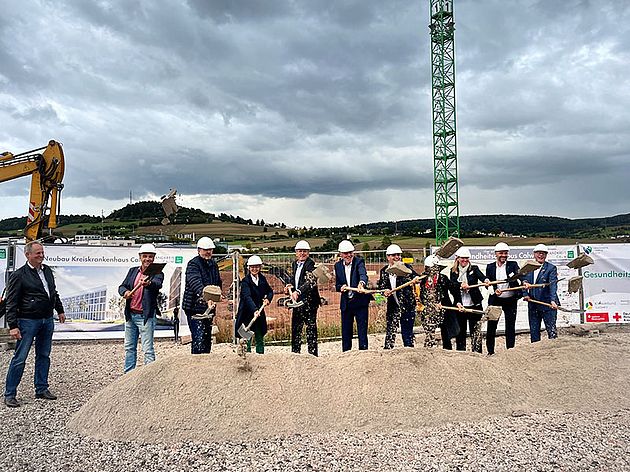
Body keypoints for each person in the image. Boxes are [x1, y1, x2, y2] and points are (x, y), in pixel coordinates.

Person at [3, 241, 65, 408]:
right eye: (37, 253)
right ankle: (10, 394)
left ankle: (41, 388)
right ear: (27, 255)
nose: (41, 255)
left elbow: (53, 292)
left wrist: (59, 310)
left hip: (46, 320)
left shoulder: (47, 271)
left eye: (42, 252)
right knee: (20, 358)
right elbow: (11, 302)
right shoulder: (19, 275)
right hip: (27, 321)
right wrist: (13, 325)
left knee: (44, 356)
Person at [118, 243, 164, 373]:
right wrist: (125, 292)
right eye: (145, 256)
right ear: (140, 257)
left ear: (154, 258)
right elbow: (122, 286)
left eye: (150, 256)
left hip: (145, 317)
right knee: (129, 347)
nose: (147, 259)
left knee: (147, 349)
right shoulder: (133, 271)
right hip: (131, 315)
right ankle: (128, 375)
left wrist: (148, 283)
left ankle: (150, 377)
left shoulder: (157, 272)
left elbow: (157, 284)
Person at [182, 236, 222, 354]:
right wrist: (207, 297)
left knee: (206, 339)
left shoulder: (213, 264)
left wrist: (218, 295)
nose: (208, 252)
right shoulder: (193, 264)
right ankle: (196, 367)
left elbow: (217, 282)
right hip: (194, 306)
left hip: (208, 307)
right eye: (205, 249)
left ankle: (205, 366)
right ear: (199, 250)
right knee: (198, 338)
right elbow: (195, 283)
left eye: (210, 249)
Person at [377, 244, 419, 349]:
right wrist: (384, 291)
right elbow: (381, 286)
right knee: (390, 331)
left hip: (407, 305)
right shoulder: (384, 271)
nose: (397, 257)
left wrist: (415, 279)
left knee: (407, 332)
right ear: (388, 257)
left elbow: (415, 276)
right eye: (394, 255)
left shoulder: (406, 268)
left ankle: (409, 351)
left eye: (398, 255)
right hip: (393, 306)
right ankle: (388, 352)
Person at [484, 242, 523, 355]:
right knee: (491, 326)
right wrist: (493, 290)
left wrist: (524, 282)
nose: (504, 255)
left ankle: (510, 351)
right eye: (501, 253)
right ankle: (490, 351)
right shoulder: (490, 267)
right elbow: (489, 284)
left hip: (510, 300)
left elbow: (520, 275)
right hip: (495, 301)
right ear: (496, 254)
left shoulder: (513, 265)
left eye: (506, 253)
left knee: (510, 327)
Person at [334, 240, 372, 351]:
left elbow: (363, 275)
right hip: (346, 304)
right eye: (346, 253)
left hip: (360, 302)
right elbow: (337, 284)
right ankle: (346, 355)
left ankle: (363, 354)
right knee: (346, 332)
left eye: (351, 252)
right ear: (340, 254)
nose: (349, 255)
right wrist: (341, 287)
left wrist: (361, 284)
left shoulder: (359, 262)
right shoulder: (337, 266)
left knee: (362, 332)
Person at [418, 254, 462, 349]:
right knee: (429, 330)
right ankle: (429, 349)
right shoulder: (423, 280)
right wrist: (428, 303)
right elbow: (422, 295)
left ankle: (447, 350)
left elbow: (455, 291)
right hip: (429, 310)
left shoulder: (443, 278)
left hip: (444, 309)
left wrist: (458, 302)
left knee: (446, 332)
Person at [286, 240, 321, 356]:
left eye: (304, 251)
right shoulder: (295, 264)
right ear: (296, 252)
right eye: (300, 251)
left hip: (310, 302)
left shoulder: (311, 265)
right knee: (296, 329)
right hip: (298, 302)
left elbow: (310, 281)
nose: (302, 253)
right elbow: (294, 279)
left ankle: (313, 356)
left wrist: (298, 291)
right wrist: (289, 286)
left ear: (308, 253)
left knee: (311, 330)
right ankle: (295, 354)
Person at [449, 247, 486, 353]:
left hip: (474, 305)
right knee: (460, 332)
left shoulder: (474, 269)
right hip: (461, 306)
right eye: (462, 258)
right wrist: (461, 286)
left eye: (466, 258)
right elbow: (453, 286)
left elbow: (482, 277)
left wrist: (486, 280)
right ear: (457, 259)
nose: (465, 260)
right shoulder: (453, 271)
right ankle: (461, 354)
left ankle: (477, 353)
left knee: (476, 331)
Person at [235, 255, 274, 354]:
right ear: (249, 268)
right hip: (247, 312)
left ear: (260, 267)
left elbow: (269, 291)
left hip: (259, 312)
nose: (254, 269)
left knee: (259, 334)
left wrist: (268, 299)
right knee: (246, 336)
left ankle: (260, 355)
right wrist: (254, 310)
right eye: (252, 267)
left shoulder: (262, 279)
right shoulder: (245, 282)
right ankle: (246, 355)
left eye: (257, 267)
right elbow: (247, 297)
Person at [522, 244, 559, 342]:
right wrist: (525, 294)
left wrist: (552, 300)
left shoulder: (551, 268)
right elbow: (523, 281)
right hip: (533, 303)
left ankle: (555, 352)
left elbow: (553, 285)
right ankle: (536, 353)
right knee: (534, 331)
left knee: (551, 330)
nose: (541, 255)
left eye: (543, 253)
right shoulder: (528, 267)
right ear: (534, 254)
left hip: (548, 304)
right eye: (538, 253)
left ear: (546, 255)